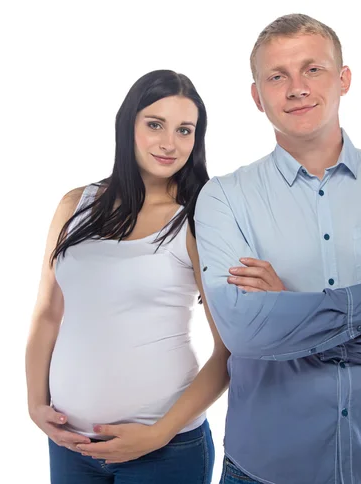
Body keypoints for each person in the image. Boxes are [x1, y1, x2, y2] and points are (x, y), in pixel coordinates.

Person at [195, 14, 361, 484]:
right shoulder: (223, 197)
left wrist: (288, 312)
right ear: (257, 97)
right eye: (277, 76)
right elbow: (243, 333)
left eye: (313, 70)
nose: (296, 88)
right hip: (264, 469)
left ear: (343, 79)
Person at [25, 69, 229, 484]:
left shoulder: (198, 218)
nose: (169, 143)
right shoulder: (74, 205)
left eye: (185, 130)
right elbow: (48, 313)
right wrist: (34, 405)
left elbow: (228, 351)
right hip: (70, 445)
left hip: (166, 452)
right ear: (127, 125)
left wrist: (159, 433)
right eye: (155, 124)